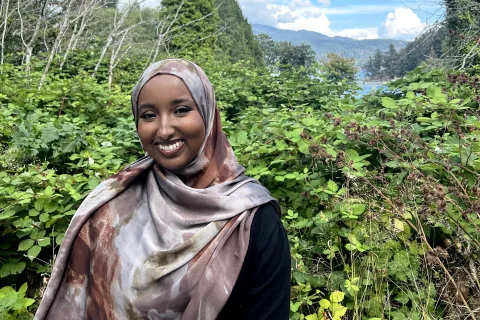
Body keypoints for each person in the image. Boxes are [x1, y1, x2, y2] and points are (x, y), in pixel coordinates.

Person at [34, 59, 291, 320]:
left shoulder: (254, 222)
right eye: (148, 115)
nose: (164, 130)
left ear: (208, 113)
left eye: (181, 110)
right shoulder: (111, 203)